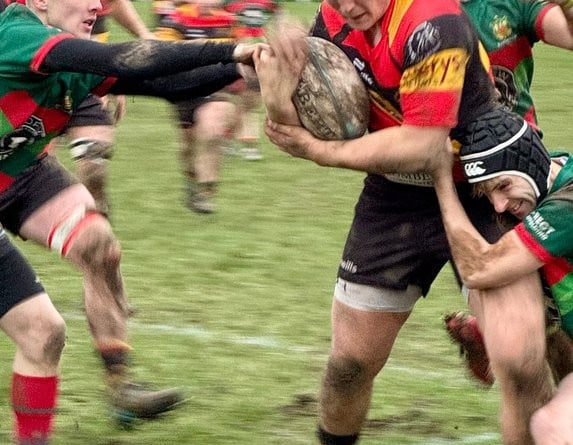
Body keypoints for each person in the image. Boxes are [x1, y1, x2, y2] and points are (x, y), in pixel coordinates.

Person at [253, 0, 555, 443]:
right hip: (394, 197)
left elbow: (422, 144)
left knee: (521, 362)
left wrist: (319, 153)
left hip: (485, 188)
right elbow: (309, 119)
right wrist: (278, 93)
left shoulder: (433, 20)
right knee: (349, 364)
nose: (347, 6)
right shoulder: (334, 18)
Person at [0, 0, 261, 442]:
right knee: (42, 329)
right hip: (16, 169)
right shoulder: (18, 34)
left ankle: (121, 387)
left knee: (81, 271)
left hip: (19, 172)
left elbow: (167, 83)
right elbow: (122, 57)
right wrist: (235, 48)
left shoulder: (68, 53)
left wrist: (249, 68)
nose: (97, 5)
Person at [445, 0, 573, 387]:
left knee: (548, 297)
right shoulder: (413, 13)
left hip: (517, 171)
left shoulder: (510, 4)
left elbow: (563, 29)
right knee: (533, 297)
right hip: (452, 176)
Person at [428, 120, 573, 445]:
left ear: (529, 163)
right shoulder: (555, 169)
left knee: (554, 429)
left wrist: (441, 182)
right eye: (489, 193)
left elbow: (480, 270)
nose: (499, 205)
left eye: (504, 186)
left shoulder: (568, 204)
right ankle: (487, 330)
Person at [154, 0, 243, 214]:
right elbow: (160, 52)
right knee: (188, 147)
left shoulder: (228, 20)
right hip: (184, 90)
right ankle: (191, 182)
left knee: (212, 129)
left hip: (216, 89)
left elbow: (240, 50)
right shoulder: (177, 18)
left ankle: (206, 194)